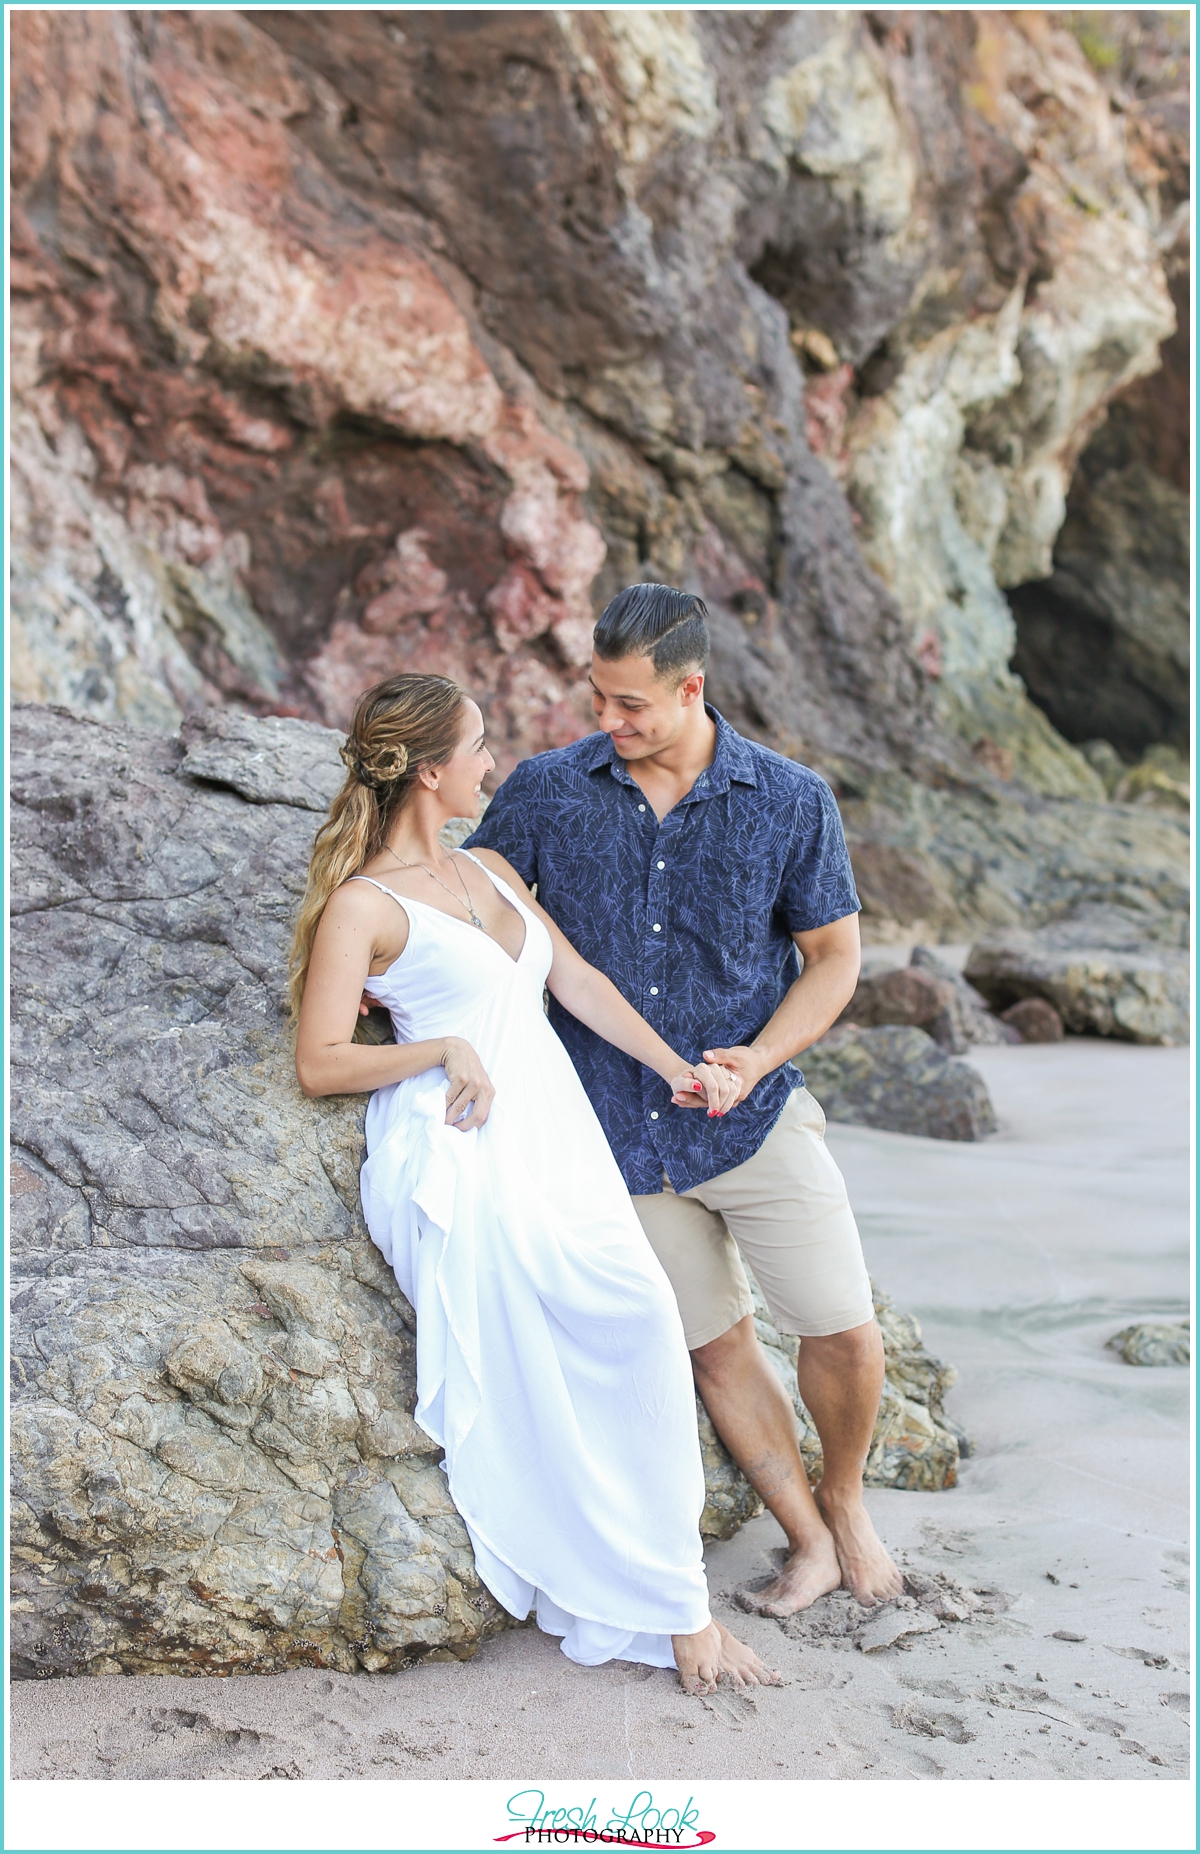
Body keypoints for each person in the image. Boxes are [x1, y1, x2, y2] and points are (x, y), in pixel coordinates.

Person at [290, 671, 778, 1693]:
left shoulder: (495, 871)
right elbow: (321, 1061)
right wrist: (436, 1052)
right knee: (576, 1319)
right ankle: (676, 1614)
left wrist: (675, 1067)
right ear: (431, 772)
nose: (491, 764)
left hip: (555, 1135)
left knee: (639, 1309)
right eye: (477, 747)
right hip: (459, 1145)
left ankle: (665, 1593)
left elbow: (580, 985)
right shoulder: (364, 908)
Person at [467, 584, 902, 1613]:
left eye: (631, 706)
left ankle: (847, 1502)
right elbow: (478, 910)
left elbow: (834, 960)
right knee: (716, 1346)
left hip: (752, 1120)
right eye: (598, 699)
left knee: (841, 1327)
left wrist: (757, 1057)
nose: (607, 724)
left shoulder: (791, 800)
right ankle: (807, 1540)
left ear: (691, 688)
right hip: (616, 1137)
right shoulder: (543, 790)